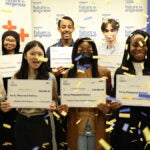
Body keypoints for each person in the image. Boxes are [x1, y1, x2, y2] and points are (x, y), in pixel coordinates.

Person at [0, 40, 68, 150]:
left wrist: (53, 105)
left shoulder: (50, 77)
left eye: (40, 54)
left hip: (42, 121)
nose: (36, 57)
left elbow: (55, 100)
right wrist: (6, 106)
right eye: (32, 54)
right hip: (21, 122)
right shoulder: (16, 77)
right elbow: (11, 102)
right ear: (25, 56)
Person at [62, 37, 112, 150]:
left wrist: (107, 108)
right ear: (75, 52)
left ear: (94, 52)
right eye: (80, 50)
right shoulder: (68, 74)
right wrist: (63, 109)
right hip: (77, 124)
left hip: (98, 123)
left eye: (89, 49)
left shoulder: (105, 73)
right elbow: (65, 104)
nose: (85, 52)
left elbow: (109, 100)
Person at [110, 29, 150, 150]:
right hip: (126, 125)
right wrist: (114, 105)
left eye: (143, 44)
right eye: (135, 44)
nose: (139, 48)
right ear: (128, 47)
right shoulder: (121, 71)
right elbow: (115, 99)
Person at [0, 30, 21, 149]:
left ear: (17, 43)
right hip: (4, 104)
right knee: (6, 135)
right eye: (7, 40)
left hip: (19, 102)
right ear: (2, 42)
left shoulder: (23, 58)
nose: (9, 42)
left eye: (12, 40)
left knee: (19, 135)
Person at [46, 16, 75, 94]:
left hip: (75, 90)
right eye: (63, 27)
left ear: (73, 29)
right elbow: (45, 73)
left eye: (69, 27)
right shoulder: (50, 50)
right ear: (58, 29)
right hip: (56, 91)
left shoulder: (79, 49)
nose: (66, 29)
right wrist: (54, 73)